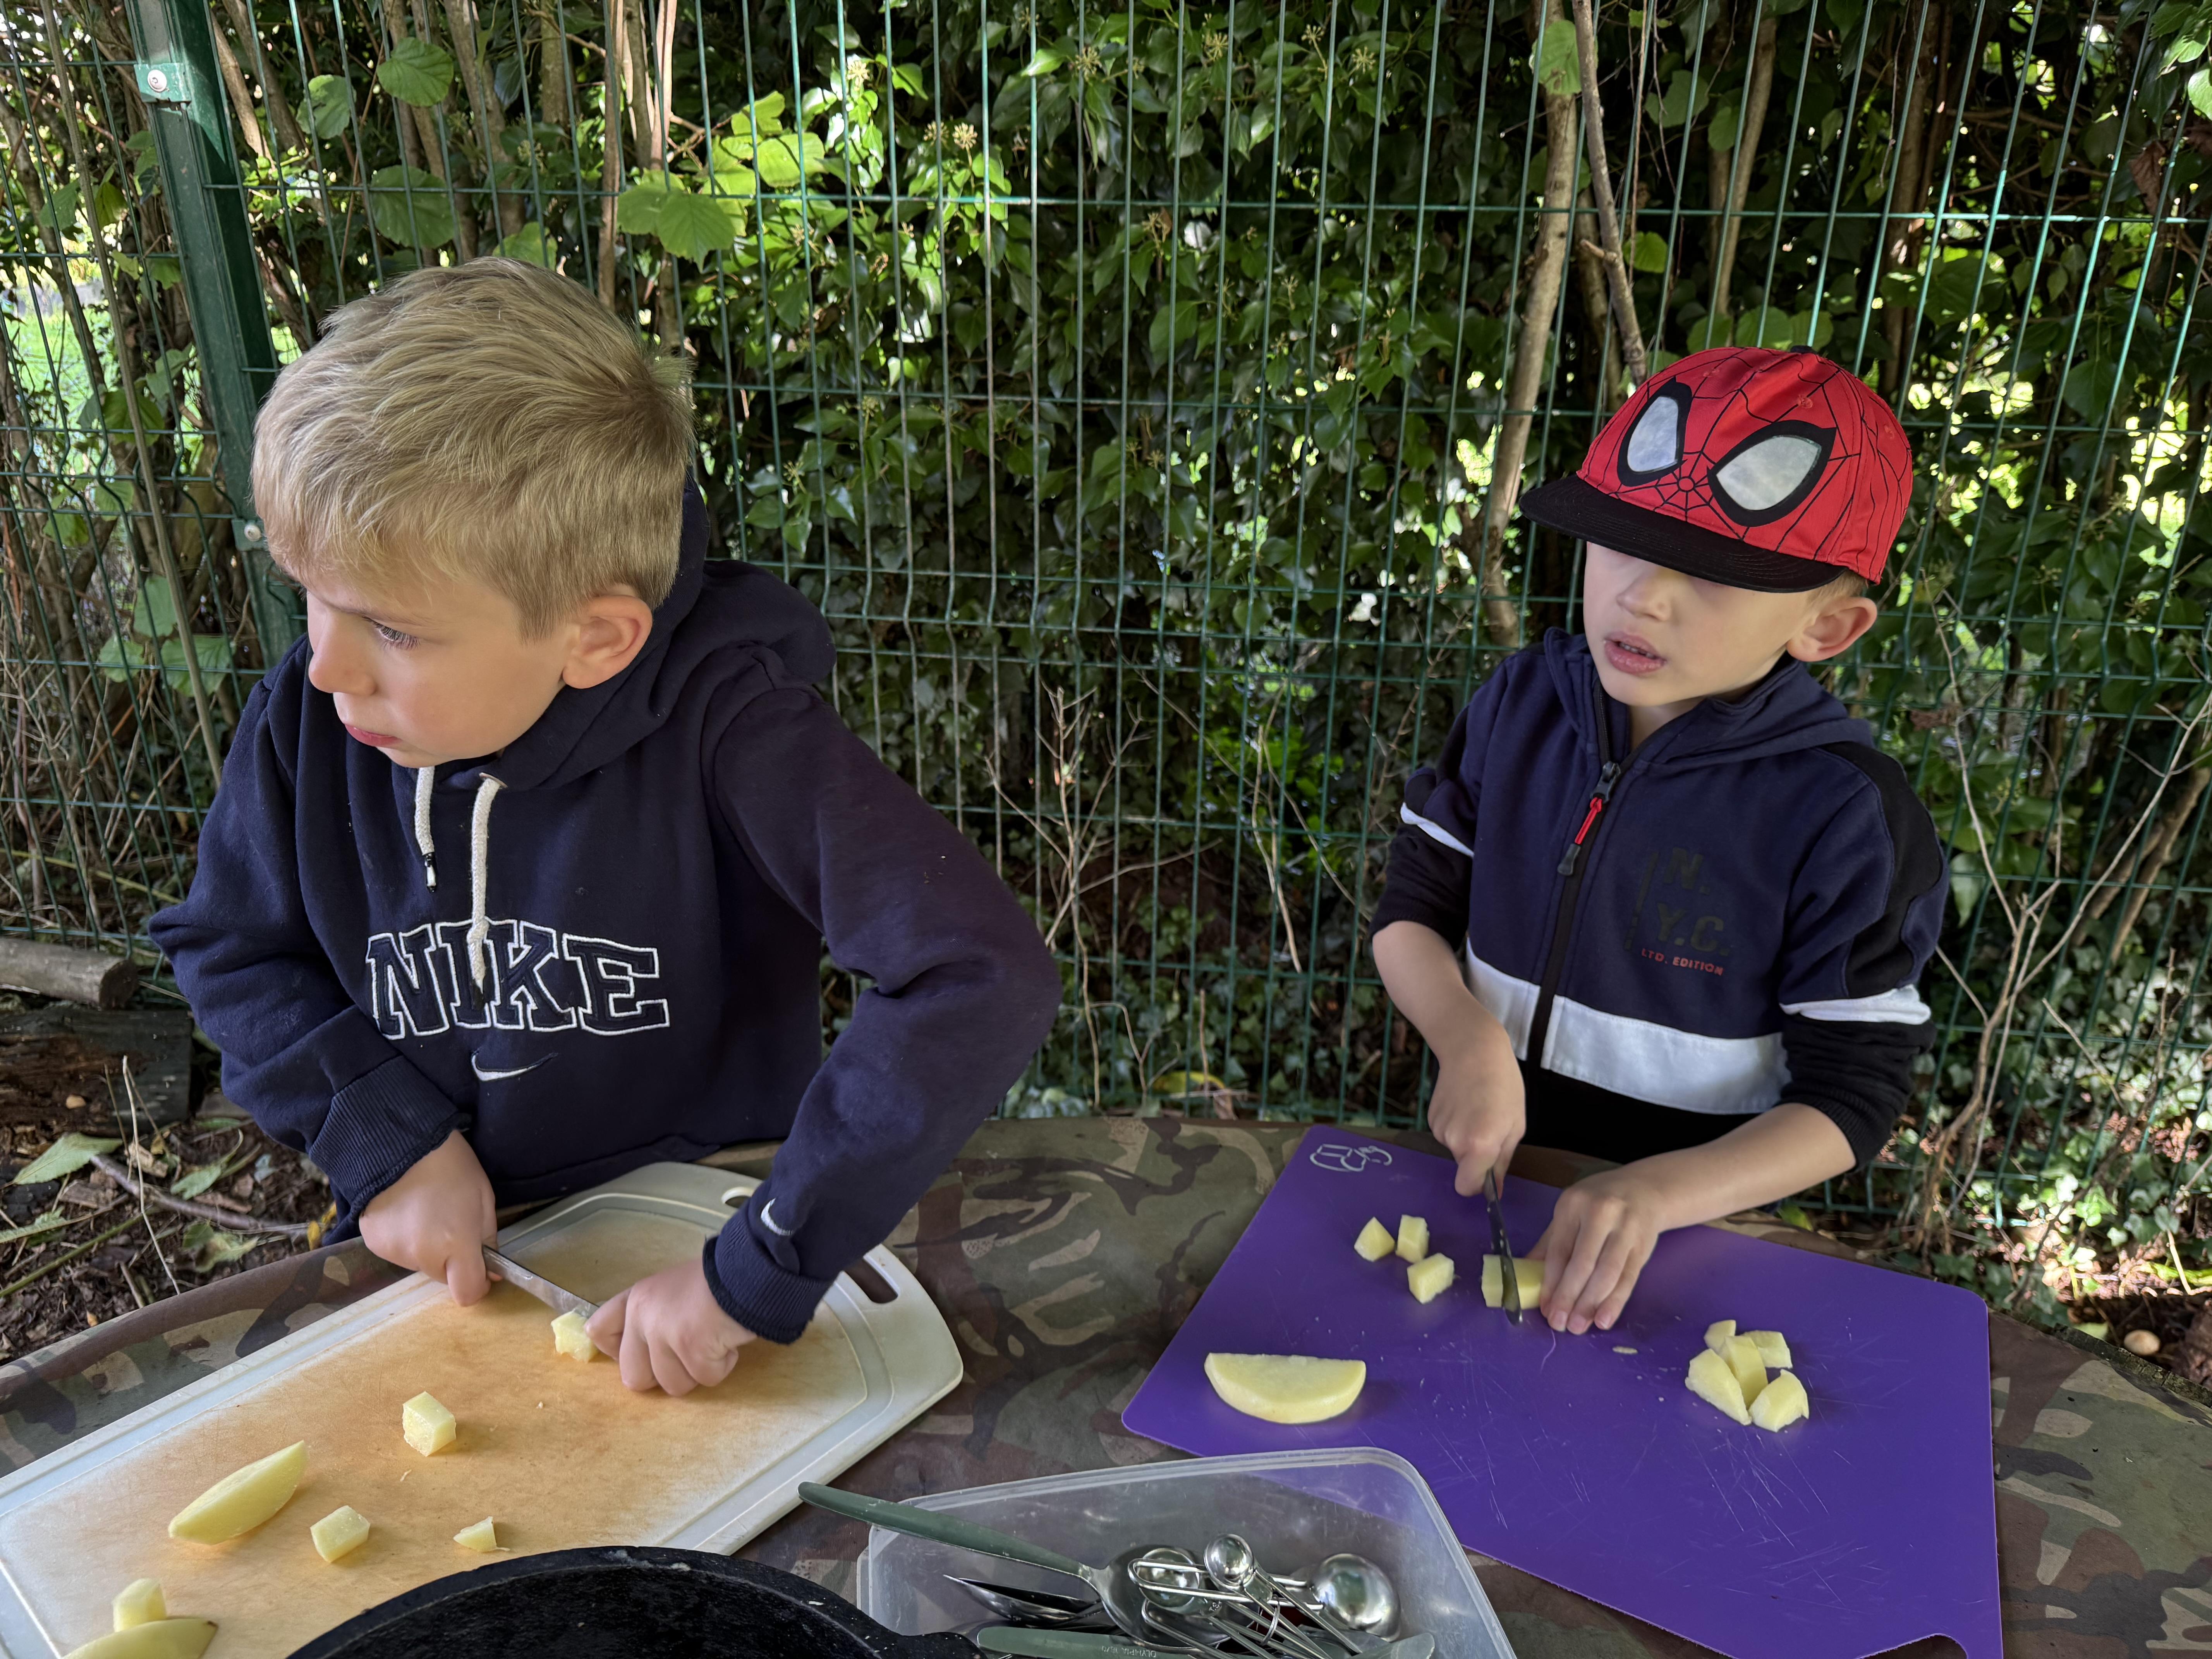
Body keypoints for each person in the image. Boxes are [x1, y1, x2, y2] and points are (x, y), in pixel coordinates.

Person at [150, 259, 1061, 1395]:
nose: (326, 666)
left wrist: (757, 1264)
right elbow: (231, 947)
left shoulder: (736, 729)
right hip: (437, 1264)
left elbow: (976, 973)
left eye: (393, 628)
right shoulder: (311, 712)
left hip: (697, 1260)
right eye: (311, 596)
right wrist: (382, 1138)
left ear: (594, 640)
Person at [1371, 345, 1945, 1337]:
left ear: (1827, 627)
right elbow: (1412, 910)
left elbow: (1852, 1101)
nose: (1642, 596)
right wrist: (1465, 1039)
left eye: (1713, 575)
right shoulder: (1520, 705)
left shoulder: (1846, 814)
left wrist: (1659, 1193)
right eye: (1621, 544)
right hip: (1482, 1189)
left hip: (1690, 1238)